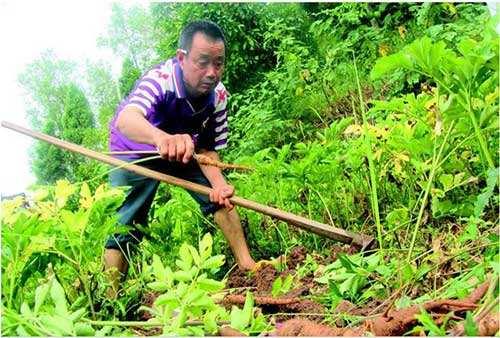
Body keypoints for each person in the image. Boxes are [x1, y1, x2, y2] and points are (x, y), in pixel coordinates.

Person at [104, 20, 256, 295]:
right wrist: (162, 138)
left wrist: (219, 187)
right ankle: (110, 298)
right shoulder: (160, 80)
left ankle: (249, 266)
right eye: (202, 62)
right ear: (182, 58)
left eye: (219, 63)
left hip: (183, 150)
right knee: (126, 220)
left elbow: (209, 151)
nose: (212, 72)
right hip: (134, 150)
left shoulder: (219, 96)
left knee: (220, 198)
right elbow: (126, 120)